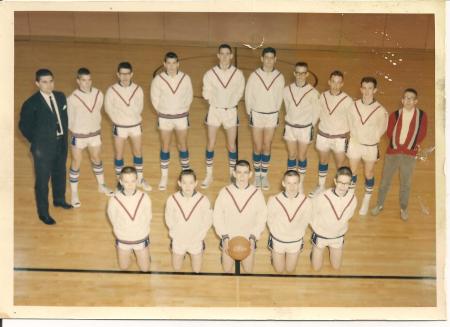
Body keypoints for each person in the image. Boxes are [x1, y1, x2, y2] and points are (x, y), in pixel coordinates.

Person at [19, 68, 73, 225]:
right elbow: (24, 126)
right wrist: (37, 142)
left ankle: (59, 199)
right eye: (44, 82)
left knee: (60, 173)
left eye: (51, 81)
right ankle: (43, 213)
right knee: (42, 181)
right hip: (42, 148)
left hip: (61, 143)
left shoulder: (61, 97)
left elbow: (64, 118)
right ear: (37, 83)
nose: (48, 85)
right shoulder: (30, 103)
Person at [371, 88, 427, 221]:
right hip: (392, 153)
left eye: (411, 98)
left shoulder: (422, 116)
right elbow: (390, 132)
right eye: (406, 98)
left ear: (416, 101)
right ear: (402, 100)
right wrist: (398, 146)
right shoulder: (394, 115)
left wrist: (410, 146)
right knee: (385, 181)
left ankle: (404, 208)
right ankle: (379, 204)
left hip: (409, 155)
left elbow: (422, 133)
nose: (408, 100)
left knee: (406, 183)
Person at [67, 67, 114, 208]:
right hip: (78, 136)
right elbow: (68, 119)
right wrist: (76, 131)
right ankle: (74, 193)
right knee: (76, 162)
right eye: (83, 80)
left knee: (97, 159)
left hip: (94, 134)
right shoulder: (72, 98)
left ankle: (101, 185)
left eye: (89, 80)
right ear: (78, 81)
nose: (86, 83)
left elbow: (99, 111)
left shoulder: (99, 94)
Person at [201, 44, 245, 188]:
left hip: (231, 112)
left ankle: (233, 176)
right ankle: (209, 175)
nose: (225, 56)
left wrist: (230, 101)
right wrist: (215, 99)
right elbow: (205, 93)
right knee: (211, 144)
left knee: (232, 146)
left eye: (227, 54)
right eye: (222, 54)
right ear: (218, 55)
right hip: (214, 111)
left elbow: (239, 92)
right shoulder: (210, 74)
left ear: (231, 56)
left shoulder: (238, 74)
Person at [213, 160, 267, 273]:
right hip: (229, 237)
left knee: (248, 271)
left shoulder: (257, 193)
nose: (242, 176)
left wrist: (253, 237)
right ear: (234, 173)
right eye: (239, 172)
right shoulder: (225, 192)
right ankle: (223, 256)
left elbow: (262, 217)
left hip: (248, 238)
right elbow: (217, 216)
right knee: (227, 270)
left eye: (245, 172)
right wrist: (224, 236)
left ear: (251, 174)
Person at [104, 62, 151, 192]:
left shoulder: (138, 89)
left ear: (132, 74)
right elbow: (108, 109)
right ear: (118, 75)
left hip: (135, 125)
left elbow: (140, 106)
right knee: (119, 155)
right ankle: (120, 183)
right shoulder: (112, 90)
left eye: (127, 74)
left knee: (138, 152)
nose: (125, 76)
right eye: (122, 74)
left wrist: (132, 117)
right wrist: (118, 120)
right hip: (120, 127)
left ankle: (140, 179)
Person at [150, 52, 194, 191]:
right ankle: (164, 177)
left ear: (178, 64)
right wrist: (163, 111)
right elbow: (154, 98)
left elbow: (189, 96)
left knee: (183, 145)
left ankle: (186, 175)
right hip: (165, 118)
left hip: (181, 117)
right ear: (164, 64)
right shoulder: (158, 79)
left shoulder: (185, 78)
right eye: (168, 63)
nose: (171, 66)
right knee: (165, 146)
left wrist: (182, 110)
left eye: (174, 63)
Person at [346, 77, 388, 215]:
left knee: (368, 173)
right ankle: (351, 197)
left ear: (375, 90)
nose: (367, 91)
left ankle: (366, 199)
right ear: (361, 89)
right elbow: (350, 122)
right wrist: (355, 136)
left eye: (370, 88)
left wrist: (371, 138)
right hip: (355, 144)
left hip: (370, 146)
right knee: (352, 171)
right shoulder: (353, 105)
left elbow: (382, 128)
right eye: (364, 88)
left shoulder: (381, 110)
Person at [245, 47, 285, 190]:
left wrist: (275, 112)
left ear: (275, 59)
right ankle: (257, 175)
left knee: (267, 145)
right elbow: (248, 95)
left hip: (271, 115)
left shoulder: (279, 77)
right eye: (266, 57)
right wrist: (250, 113)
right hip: (256, 114)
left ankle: (264, 175)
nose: (268, 60)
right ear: (262, 59)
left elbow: (280, 97)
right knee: (257, 146)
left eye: (271, 58)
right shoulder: (254, 75)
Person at [309, 70, 353, 198]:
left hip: (340, 138)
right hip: (323, 135)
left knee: (340, 166)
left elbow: (352, 119)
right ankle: (321, 186)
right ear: (329, 82)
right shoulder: (322, 96)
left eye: (338, 82)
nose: (335, 85)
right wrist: (311, 127)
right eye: (333, 82)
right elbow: (316, 113)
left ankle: (339, 190)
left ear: (342, 84)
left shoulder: (347, 100)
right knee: (323, 161)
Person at [282, 62, 320, 194]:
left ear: (307, 74)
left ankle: (300, 184)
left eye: (303, 73)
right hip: (290, 127)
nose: (300, 76)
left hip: (305, 128)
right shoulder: (287, 90)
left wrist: (310, 126)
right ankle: (290, 183)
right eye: (297, 73)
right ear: (294, 73)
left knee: (302, 156)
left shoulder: (313, 92)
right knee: (292, 155)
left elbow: (316, 112)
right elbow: (287, 107)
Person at [165, 169, 212, 273]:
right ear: (179, 183)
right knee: (176, 268)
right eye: (184, 183)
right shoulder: (172, 199)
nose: (187, 186)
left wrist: (200, 235)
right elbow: (169, 218)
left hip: (195, 240)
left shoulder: (203, 200)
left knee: (197, 270)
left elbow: (208, 220)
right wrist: (175, 233)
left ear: (196, 183)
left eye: (191, 183)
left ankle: (199, 248)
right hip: (179, 240)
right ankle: (178, 251)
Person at [310, 166, 357, 271]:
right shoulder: (323, 196)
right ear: (335, 181)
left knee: (336, 267)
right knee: (316, 268)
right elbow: (311, 212)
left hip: (337, 236)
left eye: (346, 183)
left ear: (350, 183)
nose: (343, 186)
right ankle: (315, 249)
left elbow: (349, 215)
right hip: (321, 235)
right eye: (340, 182)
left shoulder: (352, 198)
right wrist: (316, 227)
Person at [107, 166, 152, 272]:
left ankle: (145, 252)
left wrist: (140, 230)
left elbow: (148, 217)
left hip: (140, 238)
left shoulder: (144, 197)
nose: (130, 185)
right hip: (123, 238)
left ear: (137, 180)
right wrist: (122, 230)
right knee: (123, 267)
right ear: (121, 182)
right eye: (126, 182)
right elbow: (112, 218)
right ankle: (129, 252)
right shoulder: (114, 200)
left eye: (132, 181)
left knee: (145, 269)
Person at [267, 170, 312, 273]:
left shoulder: (306, 201)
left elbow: (306, 220)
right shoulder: (274, 200)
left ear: (299, 184)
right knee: (279, 270)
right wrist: (278, 232)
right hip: (278, 240)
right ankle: (274, 254)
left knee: (290, 270)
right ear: (283, 183)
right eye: (289, 183)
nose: (292, 187)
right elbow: (269, 220)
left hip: (294, 241)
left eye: (295, 183)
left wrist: (296, 232)